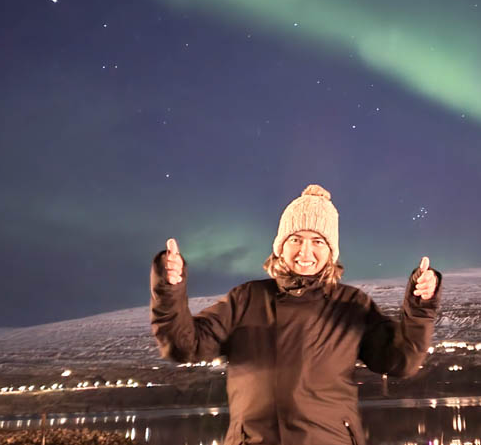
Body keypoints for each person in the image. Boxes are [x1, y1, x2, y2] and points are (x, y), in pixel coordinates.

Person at [150, 184, 441, 445]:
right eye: (296, 239)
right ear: (280, 246)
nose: (305, 251)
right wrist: (169, 287)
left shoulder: (352, 305)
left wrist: (420, 307)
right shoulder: (246, 299)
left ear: (331, 251)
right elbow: (183, 346)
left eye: (318, 241)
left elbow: (402, 361)